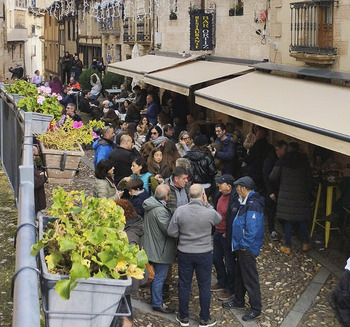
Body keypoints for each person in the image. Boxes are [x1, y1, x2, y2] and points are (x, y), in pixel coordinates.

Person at [167, 184, 222, 327]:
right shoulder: (209, 212)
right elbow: (218, 219)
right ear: (203, 195)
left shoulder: (180, 211)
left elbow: (171, 232)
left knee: (184, 284)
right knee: (204, 285)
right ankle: (204, 318)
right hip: (204, 253)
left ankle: (184, 316)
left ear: (189, 195)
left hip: (185, 252)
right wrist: (208, 204)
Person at [222, 176, 264, 322]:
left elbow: (252, 229)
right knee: (239, 275)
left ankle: (255, 308)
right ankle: (239, 300)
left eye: (238, 187)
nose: (236, 190)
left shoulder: (252, 205)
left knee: (250, 278)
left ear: (243, 188)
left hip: (246, 248)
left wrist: (244, 245)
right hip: (241, 246)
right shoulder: (245, 202)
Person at [269, 142, 313, 254]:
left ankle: (288, 246)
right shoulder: (304, 159)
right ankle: (305, 244)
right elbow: (309, 179)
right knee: (302, 220)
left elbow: (273, 176)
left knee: (288, 221)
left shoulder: (284, 159)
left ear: (288, 149)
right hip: (301, 194)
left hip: (286, 195)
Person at [142, 184, 176, 314]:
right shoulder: (160, 211)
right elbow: (169, 230)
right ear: (166, 196)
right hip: (160, 249)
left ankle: (155, 299)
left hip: (151, 246)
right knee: (159, 277)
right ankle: (157, 303)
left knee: (154, 276)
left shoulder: (150, 204)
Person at [115, 198, 144, 327]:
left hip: (125, 277)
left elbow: (130, 258)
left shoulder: (130, 234)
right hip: (124, 278)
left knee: (123, 308)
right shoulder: (132, 226)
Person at [211, 174, 239, 302]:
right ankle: (221, 281)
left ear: (229, 186)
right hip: (217, 232)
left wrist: (229, 232)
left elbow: (233, 218)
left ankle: (230, 288)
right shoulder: (219, 196)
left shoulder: (234, 200)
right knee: (216, 258)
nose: (218, 185)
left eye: (221, 183)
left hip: (226, 235)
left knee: (229, 263)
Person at [262, 140, 288, 241]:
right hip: (271, 189)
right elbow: (266, 176)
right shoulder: (270, 159)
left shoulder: (281, 159)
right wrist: (271, 191)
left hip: (279, 188)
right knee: (271, 210)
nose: (286, 152)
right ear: (279, 149)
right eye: (284, 149)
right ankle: (272, 230)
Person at [243, 127, 274, 192]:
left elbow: (248, 159)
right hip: (265, 174)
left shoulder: (255, 146)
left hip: (254, 173)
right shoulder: (270, 147)